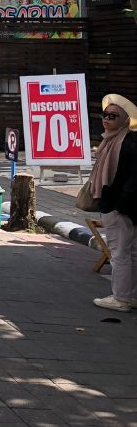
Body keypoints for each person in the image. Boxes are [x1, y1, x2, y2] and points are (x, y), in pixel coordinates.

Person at [91, 93, 137, 312]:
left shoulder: (127, 143)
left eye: (113, 116)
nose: (107, 119)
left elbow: (132, 178)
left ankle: (121, 298)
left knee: (119, 253)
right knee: (131, 252)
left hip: (120, 207)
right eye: (105, 114)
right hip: (123, 206)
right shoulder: (112, 140)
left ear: (125, 120)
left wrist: (119, 204)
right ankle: (130, 295)